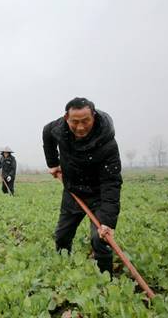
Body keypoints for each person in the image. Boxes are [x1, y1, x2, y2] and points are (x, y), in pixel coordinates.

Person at [42, 97, 122, 275]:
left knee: (101, 238)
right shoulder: (58, 128)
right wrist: (53, 164)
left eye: (85, 121)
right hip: (73, 191)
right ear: (66, 118)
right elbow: (47, 132)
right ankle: (63, 270)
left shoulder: (107, 142)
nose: (80, 127)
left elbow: (111, 182)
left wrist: (107, 222)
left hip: (98, 195)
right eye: (75, 122)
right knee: (62, 236)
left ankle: (106, 279)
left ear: (93, 116)